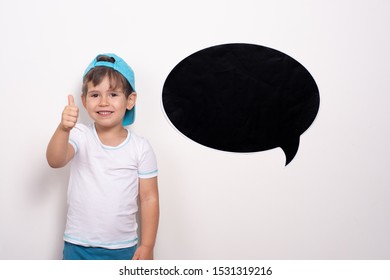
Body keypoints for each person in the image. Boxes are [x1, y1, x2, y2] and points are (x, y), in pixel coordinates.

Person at [46, 53, 159, 260]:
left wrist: (148, 245)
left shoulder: (140, 148)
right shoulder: (79, 135)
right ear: (84, 100)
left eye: (113, 94)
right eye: (95, 95)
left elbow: (149, 198)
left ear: (130, 100)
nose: (103, 102)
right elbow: (55, 160)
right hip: (77, 246)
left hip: (124, 249)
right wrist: (63, 129)